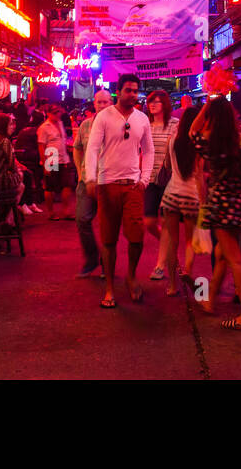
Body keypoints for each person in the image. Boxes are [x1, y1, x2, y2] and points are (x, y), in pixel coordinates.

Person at [189, 96, 241, 331]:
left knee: (235, 259)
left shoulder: (208, 141)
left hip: (220, 205)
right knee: (222, 253)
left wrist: (208, 103)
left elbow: (193, 129)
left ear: (212, 118)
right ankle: (210, 300)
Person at [83, 75, 153, 309]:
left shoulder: (142, 118)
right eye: (128, 90)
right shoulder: (103, 117)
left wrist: (145, 179)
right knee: (108, 240)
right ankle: (110, 287)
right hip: (106, 184)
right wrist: (91, 178)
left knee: (137, 237)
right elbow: (92, 149)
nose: (132, 94)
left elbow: (149, 151)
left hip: (132, 185)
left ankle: (132, 276)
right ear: (118, 91)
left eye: (135, 91)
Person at [159, 105, 201, 296]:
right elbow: (201, 173)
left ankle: (173, 285)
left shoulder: (172, 139)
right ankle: (188, 271)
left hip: (171, 195)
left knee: (171, 241)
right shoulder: (199, 142)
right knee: (189, 241)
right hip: (191, 195)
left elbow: (167, 165)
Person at [72, 89, 111, 278]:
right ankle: (92, 258)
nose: (102, 105)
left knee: (107, 225)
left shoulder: (119, 125)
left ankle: (106, 264)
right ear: (94, 104)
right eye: (99, 102)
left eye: (106, 102)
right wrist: (80, 173)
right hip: (87, 180)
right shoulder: (86, 125)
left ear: (111, 104)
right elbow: (77, 148)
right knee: (82, 219)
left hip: (108, 182)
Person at [143, 90, 177, 280]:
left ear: (165, 104)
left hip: (169, 179)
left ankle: (160, 264)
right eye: (150, 101)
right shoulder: (145, 125)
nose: (153, 104)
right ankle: (168, 246)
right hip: (149, 179)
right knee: (149, 223)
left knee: (165, 222)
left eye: (157, 101)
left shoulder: (175, 125)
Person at [38, 106, 74, 220]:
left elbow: (62, 140)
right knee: (50, 187)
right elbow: (41, 146)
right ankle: (51, 212)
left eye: (59, 112)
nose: (57, 115)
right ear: (48, 113)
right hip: (51, 156)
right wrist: (44, 163)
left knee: (67, 184)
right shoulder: (44, 127)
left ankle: (66, 210)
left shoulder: (61, 123)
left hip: (63, 157)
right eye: (54, 113)